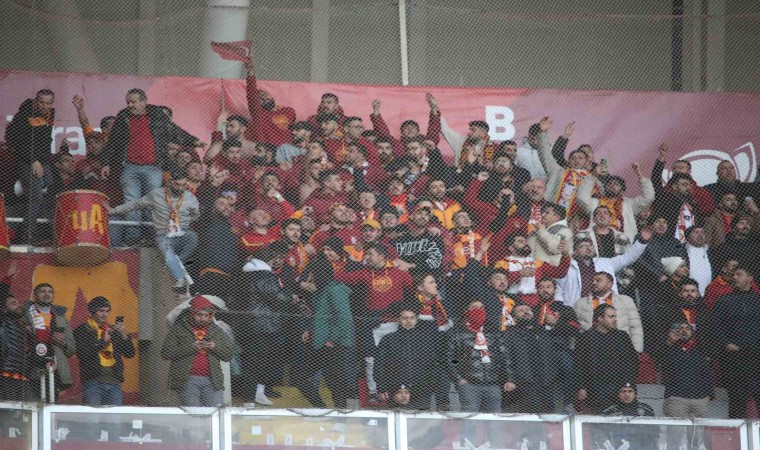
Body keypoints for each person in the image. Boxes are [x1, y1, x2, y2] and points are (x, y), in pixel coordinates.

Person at [101, 88, 203, 244]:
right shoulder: (123, 116)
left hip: (154, 168)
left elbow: (173, 131)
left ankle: (153, 237)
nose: (130, 105)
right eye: (128, 102)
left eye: (133, 102)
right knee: (131, 202)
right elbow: (113, 141)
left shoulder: (156, 114)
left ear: (143, 102)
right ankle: (133, 237)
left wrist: (193, 141)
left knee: (154, 201)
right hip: (130, 167)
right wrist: (105, 163)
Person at [109, 167, 201, 291]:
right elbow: (135, 204)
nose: (180, 188)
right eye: (177, 184)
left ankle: (177, 262)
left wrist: (193, 215)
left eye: (184, 185)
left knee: (193, 237)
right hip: (164, 234)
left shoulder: (190, 197)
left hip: (182, 233)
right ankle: (180, 279)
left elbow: (195, 216)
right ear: (170, 182)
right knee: (166, 250)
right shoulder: (156, 194)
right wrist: (113, 210)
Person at [304, 255, 358, 408]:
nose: (309, 276)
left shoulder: (334, 290)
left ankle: (340, 412)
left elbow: (344, 318)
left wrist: (332, 339)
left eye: (311, 272)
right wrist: (310, 330)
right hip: (323, 343)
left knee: (337, 383)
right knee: (333, 382)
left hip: (335, 345)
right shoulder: (321, 290)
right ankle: (326, 409)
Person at [161, 295, 233, 407]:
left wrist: (214, 347)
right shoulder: (178, 329)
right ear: (192, 314)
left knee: (217, 411)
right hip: (186, 379)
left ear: (210, 316)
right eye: (199, 315)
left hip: (212, 379)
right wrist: (191, 347)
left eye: (206, 315)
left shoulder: (217, 330)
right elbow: (166, 353)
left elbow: (228, 356)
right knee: (193, 412)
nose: (203, 318)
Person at [5, 89, 55, 243]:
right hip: (27, 161)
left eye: (48, 103)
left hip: (43, 161)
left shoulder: (49, 115)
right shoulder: (24, 115)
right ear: (35, 101)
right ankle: (27, 236)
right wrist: (34, 160)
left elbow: (44, 141)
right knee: (35, 195)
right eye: (42, 102)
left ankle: (44, 233)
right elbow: (15, 140)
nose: (45, 106)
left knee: (51, 189)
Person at [447, 300, 515, 413]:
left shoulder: (494, 332)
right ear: (466, 311)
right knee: (470, 419)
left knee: (494, 419)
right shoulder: (457, 332)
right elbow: (450, 358)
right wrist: (458, 379)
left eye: (481, 308)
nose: (478, 310)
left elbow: (505, 357)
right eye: (474, 307)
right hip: (469, 384)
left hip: (493, 384)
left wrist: (509, 379)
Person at [712, 267, 760, 418]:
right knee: (737, 398)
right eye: (733, 275)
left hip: (756, 356)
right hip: (734, 358)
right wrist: (726, 343)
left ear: (750, 278)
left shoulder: (757, 299)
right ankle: (735, 430)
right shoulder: (724, 301)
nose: (734, 277)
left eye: (739, 274)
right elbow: (715, 326)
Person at [376, 303, 444, 410]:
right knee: (397, 416)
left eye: (412, 318)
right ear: (398, 320)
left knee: (420, 418)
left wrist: (431, 385)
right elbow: (379, 364)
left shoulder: (425, 340)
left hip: (422, 390)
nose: (409, 321)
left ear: (416, 320)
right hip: (396, 389)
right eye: (405, 318)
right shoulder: (388, 339)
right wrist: (381, 387)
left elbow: (434, 364)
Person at [556, 229, 649, 307]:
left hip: (605, 308)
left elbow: (628, 257)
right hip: (577, 309)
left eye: (590, 246)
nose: (588, 248)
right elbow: (559, 288)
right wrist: (560, 306)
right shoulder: (567, 266)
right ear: (575, 252)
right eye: (583, 246)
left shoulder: (606, 262)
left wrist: (642, 241)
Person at [575, 304, 639, 413]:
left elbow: (633, 361)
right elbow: (578, 364)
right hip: (596, 389)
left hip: (621, 389)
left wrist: (629, 385)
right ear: (600, 318)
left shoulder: (622, 336)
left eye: (615, 316)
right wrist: (581, 387)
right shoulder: (586, 337)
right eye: (611, 316)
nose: (615, 319)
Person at [73, 296, 136, 406]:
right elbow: (82, 354)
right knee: (93, 415)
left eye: (107, 311)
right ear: (92, 312)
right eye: (101, 311)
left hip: (114, 381)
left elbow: (129, 353)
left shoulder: (113, 330)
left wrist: (124, 334)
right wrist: (103, 342)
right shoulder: (82, 330)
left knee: (114, 416)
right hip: (93, 381)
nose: (105, 314)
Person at [501, 302, 561, 413]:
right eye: (521, 311)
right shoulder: (509, 334)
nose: (526, 312)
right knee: (532, 412)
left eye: (528, 309)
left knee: (549, 414)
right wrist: (511, 379)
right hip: (525, 382)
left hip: (546, 381)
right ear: (514, 317)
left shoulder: (542, 332)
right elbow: (507, 358)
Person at [576, 163, 655, 242]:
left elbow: (649, 197)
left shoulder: (629, 204)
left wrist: (639, 174)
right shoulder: (596, 202)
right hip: (598, 239)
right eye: (609, 183)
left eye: (616, 184)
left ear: (622, 190)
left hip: (624, 241)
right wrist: (593, 176)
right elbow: (581, 198)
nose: (612, 185)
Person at [24, 283, 76, 402]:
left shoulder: (61, 319)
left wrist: (63, 342)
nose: (47, 294)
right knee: (30, 406)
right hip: (30, 368)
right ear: (35, 295)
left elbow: (71, 350)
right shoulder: (25, 315)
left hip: (54, 370)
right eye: (42, 291)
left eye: (50, 292)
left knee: (50, 405)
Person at [574, 271, 644, 352]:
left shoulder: (626, 300)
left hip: (620, 347)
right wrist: (576, 351)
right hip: (591, 350)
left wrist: (636, 350)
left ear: (609, 284)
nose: (594, 283)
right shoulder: (581, 303)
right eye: (593, 281)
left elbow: (635, 326)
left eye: (598, 280)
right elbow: (576, 328)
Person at [244, 56, 297, 146]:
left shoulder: (288, 111)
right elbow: (251, 94)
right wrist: (250, 71)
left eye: (265, 95)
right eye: (260, 98)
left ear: (271, 96)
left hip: (287, 149)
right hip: (268, 149)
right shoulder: (259, 114)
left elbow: (294, 129)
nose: (264, 98)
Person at [596, 383, 658, 449]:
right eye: (623, 391)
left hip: (641, 445)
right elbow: (600, 431)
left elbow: (655, 431)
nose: (626, 394)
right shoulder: (610, 411)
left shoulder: (645, 409)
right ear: (618, 394)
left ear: (635, 394)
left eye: (630, 391)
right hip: (617, 445)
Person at [0, 269, 30, 401]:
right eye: (13, 303)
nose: (18, 305)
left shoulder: (22, 325)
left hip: (19, 374)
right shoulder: (2, 320)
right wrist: (7, 279)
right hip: (4, 373)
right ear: (4, 308)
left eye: (19, 303)